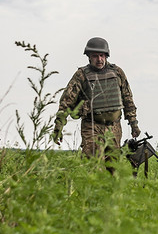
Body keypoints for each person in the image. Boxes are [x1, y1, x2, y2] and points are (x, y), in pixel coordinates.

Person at [54, 37, 140, 174]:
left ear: (106, 55)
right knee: (93, 168)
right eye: (95, 56)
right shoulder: (81, 75)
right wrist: (59, 126)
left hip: (114, 127)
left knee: (114, 169)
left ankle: (112, 195)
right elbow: (66, 101)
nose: (99, 59)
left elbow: (128, 99)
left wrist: (133, 123)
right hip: (92, 127)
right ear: (88, 57)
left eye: (102, 55)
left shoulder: (117, 73)